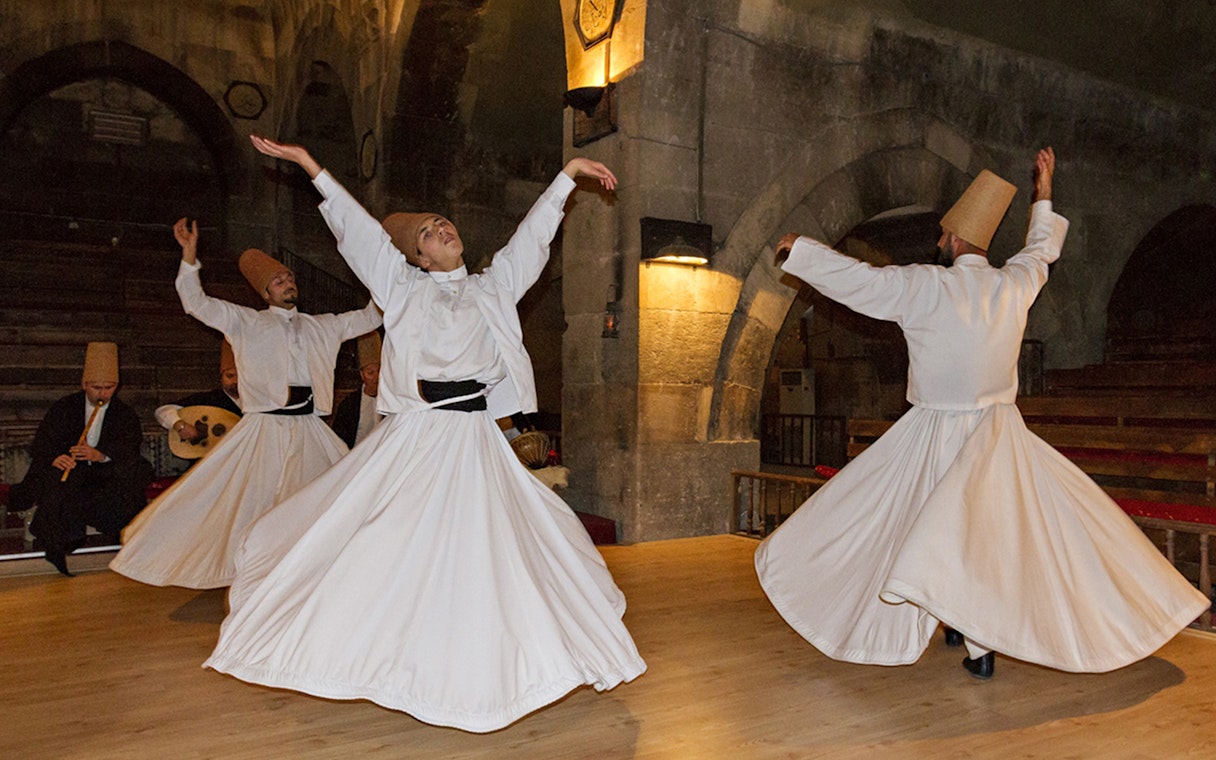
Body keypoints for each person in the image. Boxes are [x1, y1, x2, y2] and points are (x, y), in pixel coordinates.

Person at [203, 135, 646, 733]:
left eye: (445, 224)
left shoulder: (493, 287)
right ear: (419, 258)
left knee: (495, 542)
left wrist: (567, 175)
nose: (443, 230)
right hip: (421, 434)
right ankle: (387, 645)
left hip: (474, 437)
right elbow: (359, 236)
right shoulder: (403, 289)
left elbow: (531, 241)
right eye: (430, 233)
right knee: (396, 538)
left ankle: (482, 658)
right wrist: (311, 167)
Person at [755, 148, 1209, 679]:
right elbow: (1040, 252)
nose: (940, 241)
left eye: (943, 236)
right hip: (999, 433)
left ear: (952, 239)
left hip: (935, 432)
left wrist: (803, 251)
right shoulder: (1012, 284)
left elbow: (862, 282)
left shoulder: (927, 285)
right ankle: (965, 629)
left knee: (906, 523)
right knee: (982, 536)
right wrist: (1044, 192)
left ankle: (978, 644)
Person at [108, 226, 382, 589]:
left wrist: (380, 268)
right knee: (242, 498)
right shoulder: (246, 322)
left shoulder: (324, 326)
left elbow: (371, 316)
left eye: (289, 277)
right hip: (264, 427)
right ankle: (251, 572)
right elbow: (196, 303)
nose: (287, 283)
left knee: (344, 489)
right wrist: (189, 255)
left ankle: (316, 573)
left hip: (309, 427)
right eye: (278, 281)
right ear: (266, 292)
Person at [9, 342, 153, 576]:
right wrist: (56, 457)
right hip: (72, 472)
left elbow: (129, 448)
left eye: (109, 388)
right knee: (56, 485)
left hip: (104, 474)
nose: (102, 394)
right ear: (84, 384)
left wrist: (101, 455)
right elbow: (42, 442)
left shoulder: (124, 414)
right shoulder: (65, 407)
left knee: (133, 480)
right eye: (96, 387)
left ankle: (125, 543)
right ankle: (59, 546)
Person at [155, 339, 243, 442]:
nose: (235, 381)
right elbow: (163, 411)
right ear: (221, 377)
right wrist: (179, 425)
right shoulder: (209, 399)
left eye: (241, 377)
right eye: (230, 376)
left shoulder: (255, 403)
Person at [328, 330, 383, 448]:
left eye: (379, 371)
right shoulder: (349, 405)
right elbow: (338, 440)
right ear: (362, 375)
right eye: (370, 373)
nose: (376, 377)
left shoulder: (390, 401)